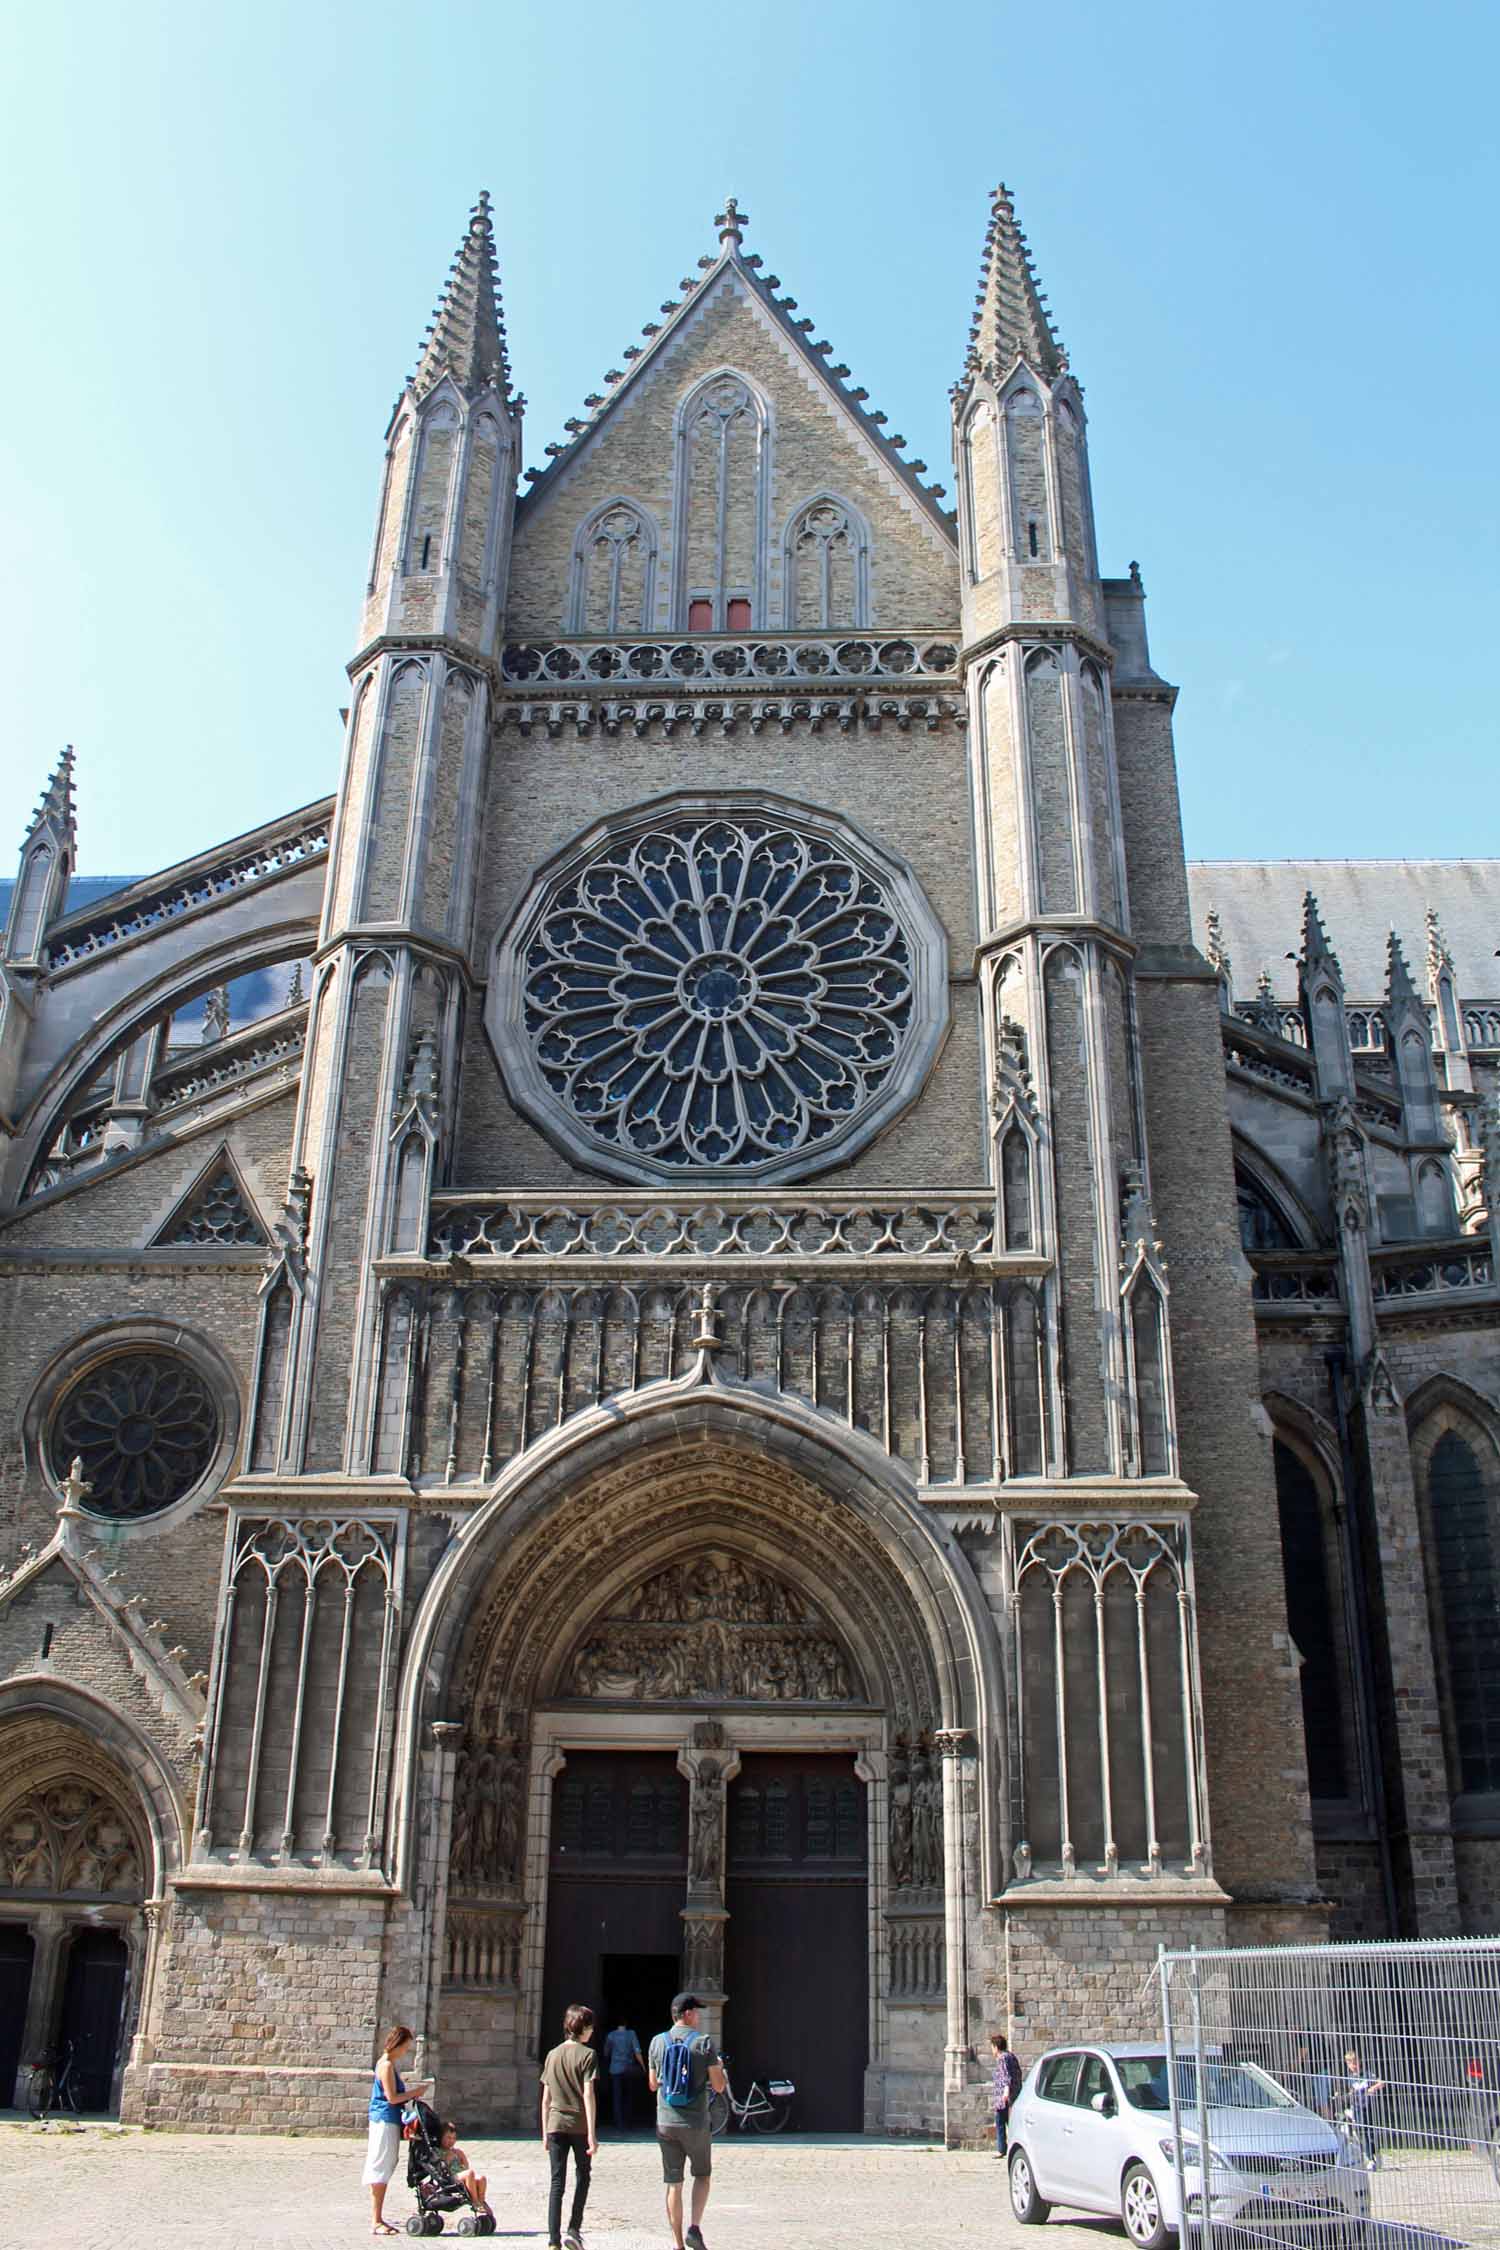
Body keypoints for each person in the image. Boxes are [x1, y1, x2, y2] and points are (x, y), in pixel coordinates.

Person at [649, 1992, 728, 2250]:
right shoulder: (703, 2043)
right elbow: (717, 2086)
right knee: (702, 2175)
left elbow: (652, 2084)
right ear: (687, 2014)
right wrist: (719, 2070)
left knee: (673, 2183)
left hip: (665, 2122)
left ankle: (677, 2243)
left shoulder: (657, 2042)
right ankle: (694, 2227)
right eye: (697, 2012)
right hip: (694, 2122)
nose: (699, 2016)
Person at [540, 2002, 600, 2250]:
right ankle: (573, 2229)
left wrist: (544, 2133)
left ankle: (553, 2240)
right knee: (583, 2176)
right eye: (591, 2027)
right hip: (578, 2125)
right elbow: (588, 2094)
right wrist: (593, 2135)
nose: (593, 2032)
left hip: (555, 2125)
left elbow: (546, 2099)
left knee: (557, 2183)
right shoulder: (588, 2055)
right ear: (583, 2028)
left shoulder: (552, 2055)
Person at [364, 2024, 432, 2236]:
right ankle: (376, 2220)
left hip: (390, 2120)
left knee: (386, 2164)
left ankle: (378, 2216)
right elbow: (391, 2097)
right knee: (381, 2165)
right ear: (398, 2044)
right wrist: (415, 2092)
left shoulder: (389, 2065)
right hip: (384, 2120)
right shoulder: (385, 2066)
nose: (406, 2052)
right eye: (405, 2047)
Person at [438, 2121, 491, 2219]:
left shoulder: (457, 2152)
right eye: (448, 2138)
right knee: (470, 2173)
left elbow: (466, 2167)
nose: (451, 2141)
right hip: (450, 2177)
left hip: (461, 2175)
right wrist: (447, 2159)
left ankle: (481, 2200)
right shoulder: (439, 2152)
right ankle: (475, 2202)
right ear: (441, 2138)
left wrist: (461, 2157)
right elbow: (440, 2168)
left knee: (481, 2178)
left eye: (454, 2138)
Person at [1344, 2049, 1386, 2170]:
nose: (1353, 2065)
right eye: (1350, 2063)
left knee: (1369, 2132)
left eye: (1354, 2062)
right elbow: (1350, 2091)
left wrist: (1373, 2088)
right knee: (1361, 2132)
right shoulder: (1350, 2077)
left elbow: (1381, 2082)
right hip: (1357, 2107)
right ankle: (1370, 2157)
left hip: (1368, 2107)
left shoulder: (1367, 2074)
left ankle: (1373, 2156)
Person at [601, 2017, 646, 2130]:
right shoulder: (631, 2034)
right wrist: (643, 2066)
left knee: (617, 2097)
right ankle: (628, 2121)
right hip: (628, 2069)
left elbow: (606, 2052)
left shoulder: (611, 2035)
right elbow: (637, 2051)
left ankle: (618, 2123)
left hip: (615, 2069)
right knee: (628, 2095)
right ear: (626, 2023)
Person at [990, 2030, 1023, 2156]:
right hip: (1014, 2095)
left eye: (992, 2047)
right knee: (1012, 2123)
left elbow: (1006, 2076)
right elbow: (1018, 2074)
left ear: (996, 2047)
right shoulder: (1011, 2056)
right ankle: (1014, 2147)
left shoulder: (1002, 2058)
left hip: (1004, 2097)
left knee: (1000, 2122)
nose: (992, 2050)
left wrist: (1006, 2093)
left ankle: (1001, 2149)